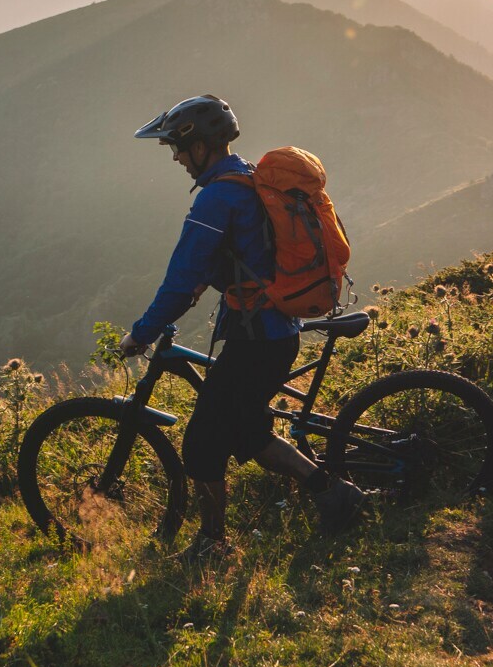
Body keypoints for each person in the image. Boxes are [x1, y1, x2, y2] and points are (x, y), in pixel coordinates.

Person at [119, 94, 365, 562]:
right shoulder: (249, 177)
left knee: (201, 444)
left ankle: (212, 544)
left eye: (177, 147)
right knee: (249, 432)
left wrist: (143, 331)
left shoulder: (217, 197)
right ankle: (335, 496)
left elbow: (181, 276)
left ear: (203, 147)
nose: (174, 157)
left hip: (258, 341)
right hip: (272, 333)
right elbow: (237, 259)